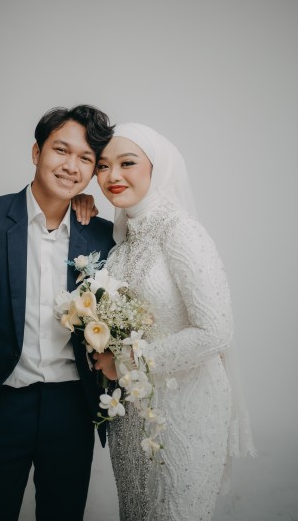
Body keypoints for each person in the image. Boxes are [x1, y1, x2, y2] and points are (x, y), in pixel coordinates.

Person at [0, 105, 115, 521]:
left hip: (72, 408)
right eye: (61, 150)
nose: (71, 166)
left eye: (85, 158)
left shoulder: (102, 235)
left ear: (92, 171)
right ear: (37, 152)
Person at [92, 123, 256, 521]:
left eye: (127, 163)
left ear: (158, 166)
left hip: (187, 411)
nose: (112, 176)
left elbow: (216, 330)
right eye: (102, 165)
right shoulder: (122, 243)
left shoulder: (182, 231)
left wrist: (124, 363)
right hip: (131, 417)